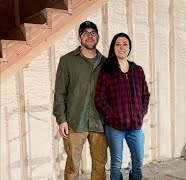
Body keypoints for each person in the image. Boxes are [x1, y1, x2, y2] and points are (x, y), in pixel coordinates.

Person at [53, 21, 108, 179]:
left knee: (100, 164)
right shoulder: (67, 61)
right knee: (72, 165)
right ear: (79, 38)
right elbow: (60, 92)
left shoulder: (106, 63)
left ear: (97, 37)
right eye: (86, 33)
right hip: (75, 121)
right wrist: (61, 119)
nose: (90, 36)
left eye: (93, 33)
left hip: (100, 122)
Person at [95, 32, 150, 180]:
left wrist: (141, 112)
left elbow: (146, 94)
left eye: (125, 44)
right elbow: (99, 97)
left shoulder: (138, 70)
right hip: (114, 127)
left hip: (135, 125)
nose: (121, 47)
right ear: (113, 48)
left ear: (129, 48)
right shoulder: (107, 71)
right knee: (116, 162)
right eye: (118, 44)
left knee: (138, 160)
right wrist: (111, 114)